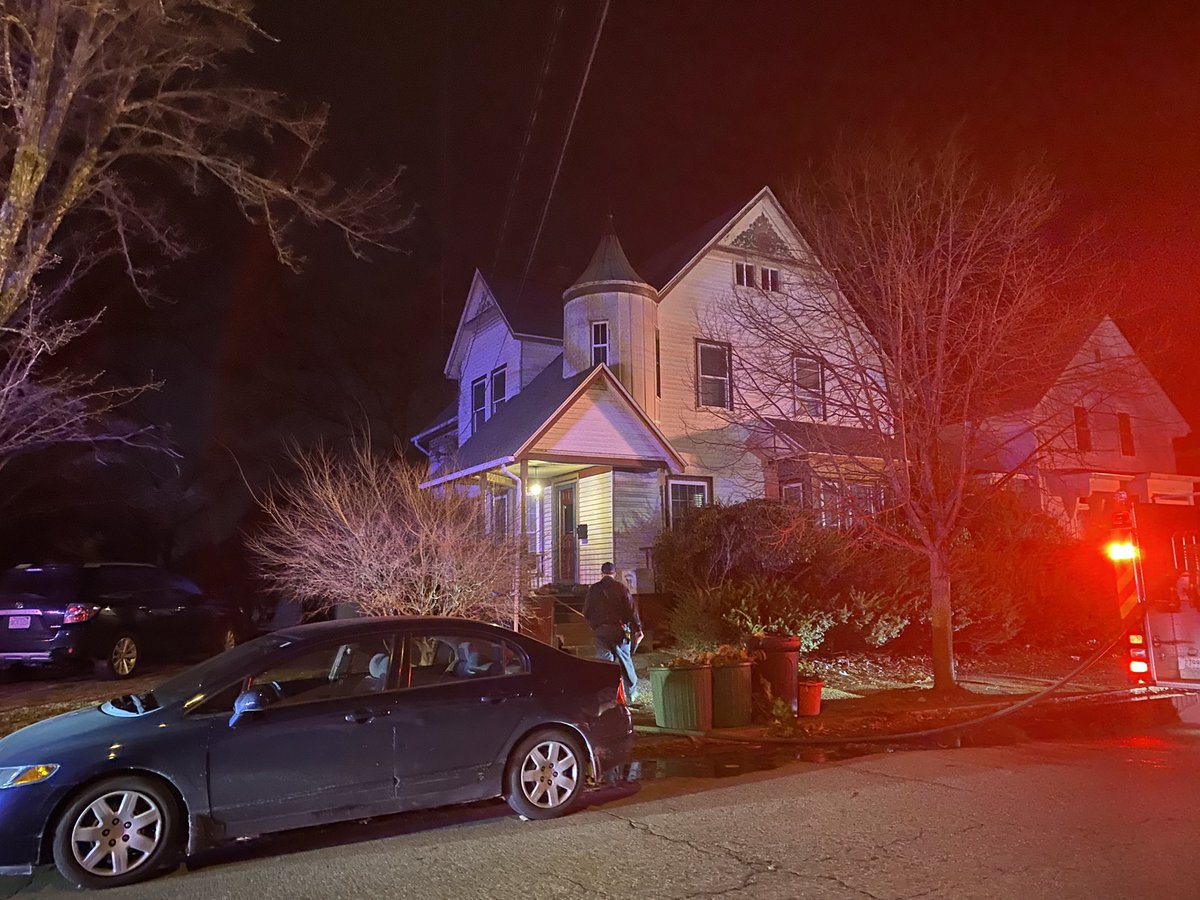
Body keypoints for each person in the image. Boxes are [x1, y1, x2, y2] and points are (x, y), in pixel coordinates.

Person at [583, 562, 643, 701]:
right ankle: (631, 694)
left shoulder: (593, 589)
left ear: (601, 573)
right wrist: (638, 628)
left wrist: (594, 626)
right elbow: (631, 609)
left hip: (601, 632)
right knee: (625, 662)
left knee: (604, 664)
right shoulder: (621, 588)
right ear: (614, 574)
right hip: (620, 630)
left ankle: (607, 696)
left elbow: (586, 612)